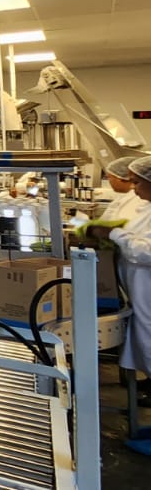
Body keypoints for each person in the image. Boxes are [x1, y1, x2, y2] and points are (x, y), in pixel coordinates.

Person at [83, 156, 151, 405]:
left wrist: (115, 234)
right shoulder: (144, 205)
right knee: (144, 335)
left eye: (137, 182)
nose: (133, 188)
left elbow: (147, 251)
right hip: (139, 287)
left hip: (146, 285)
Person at [101, 156, 148, 222]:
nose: (109, 181)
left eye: (109, 177)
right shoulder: (126, 197)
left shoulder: (139, 199)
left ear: (119, 178)